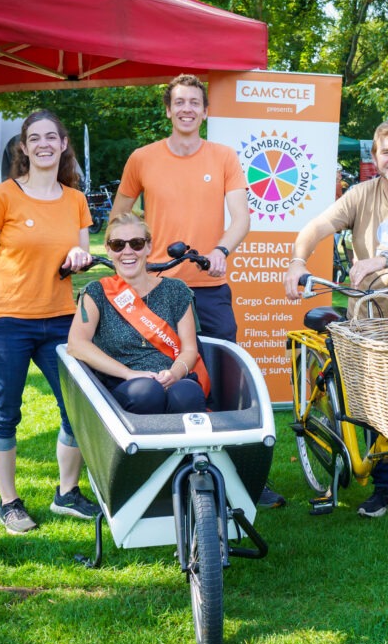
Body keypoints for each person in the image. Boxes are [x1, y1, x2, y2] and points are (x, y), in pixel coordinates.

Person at [110, 73, 286, 508]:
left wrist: (222, 249)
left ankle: (243, 473)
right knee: (156, 378)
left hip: (209, 284)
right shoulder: (142, 158)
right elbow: (118, 217)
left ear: (205, 112)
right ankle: (152, 466)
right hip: (156, 288)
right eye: (179, 103)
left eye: (195, 102)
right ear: (168, 111)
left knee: (227, 376)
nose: (187, 109)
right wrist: (132, 254)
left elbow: (241, 217)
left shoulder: (224, 156)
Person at [283, 120, 388, 531]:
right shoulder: (361, 194)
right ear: (375, 157)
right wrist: (297, 261)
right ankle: (385, 486)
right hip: (370, 317)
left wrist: (383, 258)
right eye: (387, 152)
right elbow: (316, 227)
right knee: (373, 401)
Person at [0, 109, 100, 535]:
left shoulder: (75, 199)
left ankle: (67, 494)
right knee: (5, 411)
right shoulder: (2, 195)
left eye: (51, 137)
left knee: (77, 407)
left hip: (60, 319)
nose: (43, 144)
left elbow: (79, 256)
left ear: (63, 145)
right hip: (5, 320)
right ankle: (9, 503)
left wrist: (80, 259)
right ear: (24, 147)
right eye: (34, 138)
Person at [66, 213, 207, 415]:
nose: (127, 251)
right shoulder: (96, 293)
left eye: (137, 243)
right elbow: (77, 344)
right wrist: (129, 374)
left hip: (174, 378)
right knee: (147, 392)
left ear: (148, 247)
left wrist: (174, 374)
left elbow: (189, 349)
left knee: (187, 393)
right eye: (118, 245)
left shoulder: (176, 290)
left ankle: (190, 447)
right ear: (108, 249)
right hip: (122, 383)